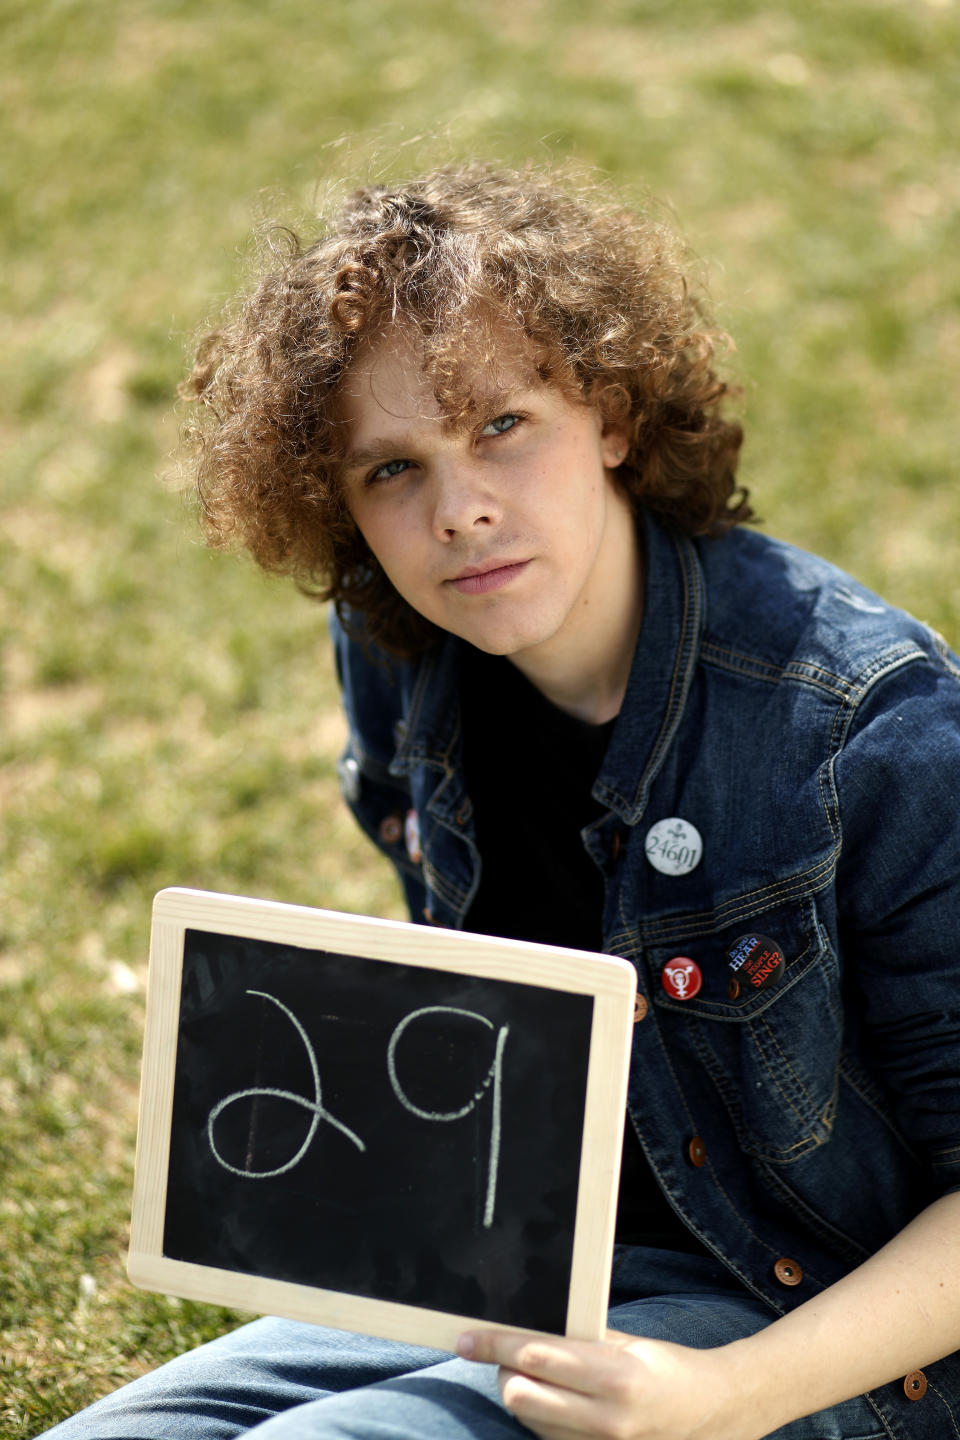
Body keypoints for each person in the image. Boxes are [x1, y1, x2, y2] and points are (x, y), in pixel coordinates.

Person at [44, 162, 960, 1440]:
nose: (458, 510)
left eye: (500, 428)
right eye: (390, 471)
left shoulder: (869, 722)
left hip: (790, 1318)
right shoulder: (404, 653)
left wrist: (723, 1397)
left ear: (614, 417)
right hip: (506, 1251)